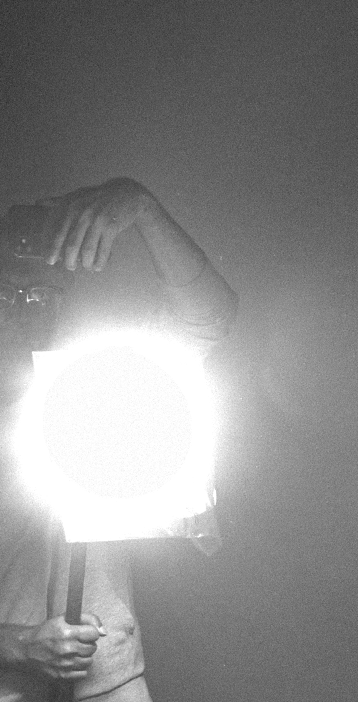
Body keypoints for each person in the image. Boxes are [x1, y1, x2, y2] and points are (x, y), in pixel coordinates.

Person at [0, 178, 236, 702]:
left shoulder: (102, 381)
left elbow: (211, 316)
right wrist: (18, 646)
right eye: (6, 293)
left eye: (41, 292)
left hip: (110, 678)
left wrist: (143, 208)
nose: (24, 308)